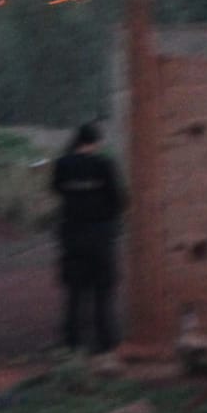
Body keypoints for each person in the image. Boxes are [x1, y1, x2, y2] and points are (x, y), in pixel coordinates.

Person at [49, 122, 124, 354]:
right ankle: (104, 343)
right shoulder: (104, 165)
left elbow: (56, 189)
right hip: (100, 235)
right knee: (102, 291)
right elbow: (119, 200)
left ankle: (72, 343)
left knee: (74, 292)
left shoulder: (63, 164)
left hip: (72, 234)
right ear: (96, 142)